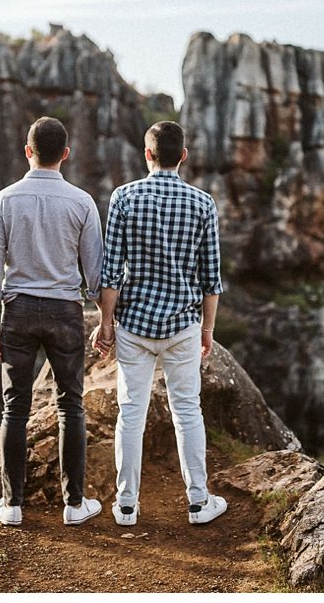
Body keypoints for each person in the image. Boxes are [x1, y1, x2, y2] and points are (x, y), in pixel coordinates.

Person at [92, 120, 227, 526]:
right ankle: (199, 503)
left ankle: (127, 506)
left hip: (134, 324)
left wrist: (106, 322)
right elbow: (211, 278)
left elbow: (111, 272)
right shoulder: (203, 204)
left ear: (147, 155)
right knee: (187, 411)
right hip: (184, 325)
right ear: (182, 156)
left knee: (130, 411)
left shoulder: (124, 198)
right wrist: (207, 330)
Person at [0, 116, 104, 527]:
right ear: (65, 154)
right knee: (71, 406)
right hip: (66, 311)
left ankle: (12, 505)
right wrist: (106, 319)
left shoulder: (3, 200)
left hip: (18, 311)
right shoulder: (82, 202)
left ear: (27, 151)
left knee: (15, 408)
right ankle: (74, 504)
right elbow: (96, 273)